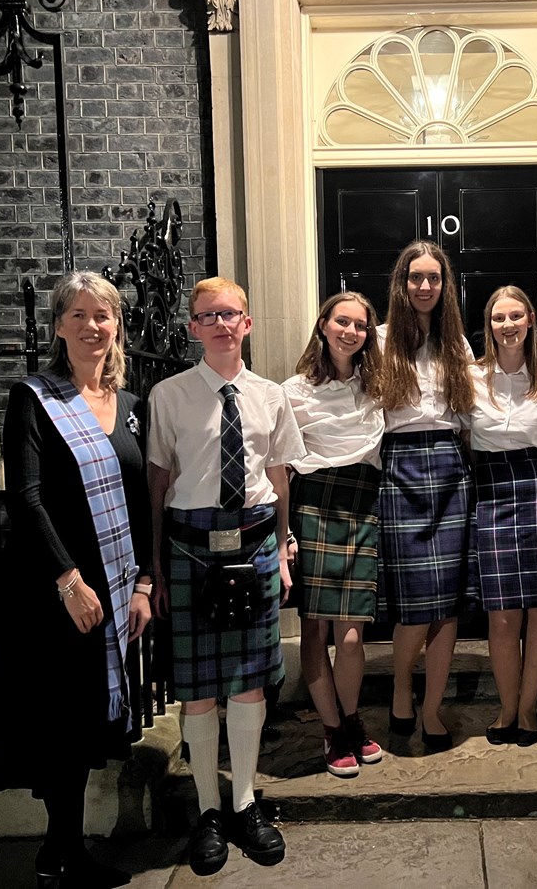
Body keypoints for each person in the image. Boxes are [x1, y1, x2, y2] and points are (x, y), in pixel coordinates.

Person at [0, 271, 153, 889]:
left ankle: (67, 850)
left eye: (104, 315)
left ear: (117, 326)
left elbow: (142, 502)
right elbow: (26, 498)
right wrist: (68, 579)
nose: (93, 326)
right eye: (79, 315)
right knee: (57, 723)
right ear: (59, 325)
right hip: (55, 590)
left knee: (87, 721)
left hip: (114, 587)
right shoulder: (34, 399)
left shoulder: (131, 407)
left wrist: (140, 585)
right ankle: (58, 854)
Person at [148, 276, 304, 875]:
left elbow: (282, 476)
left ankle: (244, 803)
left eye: (229, 314)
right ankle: (208, 810)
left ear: (247, 323)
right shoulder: (169, 395)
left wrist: (286, 550)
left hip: (257, 541)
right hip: (190, 549)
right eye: (207, 316)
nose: (219, 324)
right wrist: (155, 567)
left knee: (248, 682)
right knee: (198, 689)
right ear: (192, 327)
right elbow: (158, 485)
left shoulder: (271, 395)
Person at [378, 239, 476, 752]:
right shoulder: (378, 341)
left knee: (448, 605)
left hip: (449, 468)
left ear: (444, 285)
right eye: (416, 277)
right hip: (398, 466)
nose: (424, 286)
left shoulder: (456, 344)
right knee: (414, 605)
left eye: (433, 278)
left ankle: (433, 709)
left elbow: (465, 423)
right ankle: (400, 688)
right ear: (402, 282)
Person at [282, 291, 385, 777]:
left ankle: (351, 718)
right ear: (323, 325)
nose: (351, 331)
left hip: (362, 503)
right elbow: (280, 463)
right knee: (316, 629)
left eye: (360, 325)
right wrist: (285, 531)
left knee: (350, 638)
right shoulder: (294, 391)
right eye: (342, 321)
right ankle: (332, 730)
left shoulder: (377, 385)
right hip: (315, 503)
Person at [466, 285, 537, 747]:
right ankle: (506, 708)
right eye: (497, 318)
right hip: (490, 489)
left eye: (514, 316)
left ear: (530, 319)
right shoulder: (470, 377)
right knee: (502, 614)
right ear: (489, 325)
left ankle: (528, 710)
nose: (506, 325)